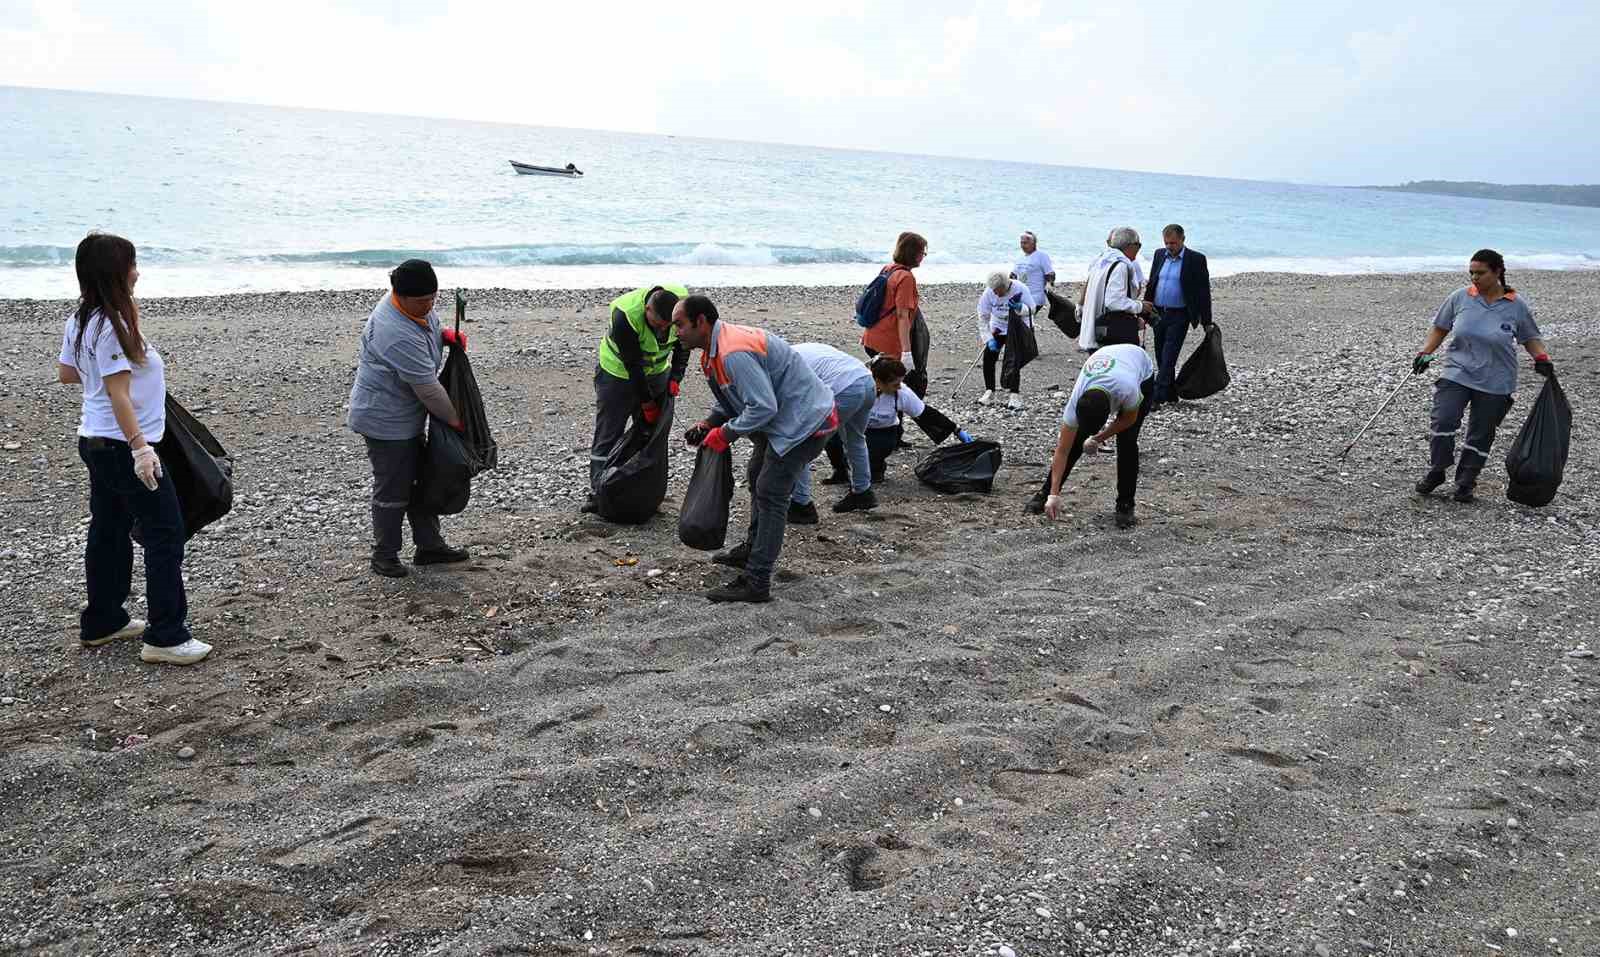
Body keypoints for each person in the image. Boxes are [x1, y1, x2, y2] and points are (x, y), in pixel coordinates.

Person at [56, 233, 212, 665]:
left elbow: (68, 373)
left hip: (95, 440)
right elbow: (118, 393)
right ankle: (167, 636)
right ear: (116, 272)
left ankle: (103, 620)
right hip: (124, 446)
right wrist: (141, 448)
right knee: (165, 532)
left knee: (108, 529)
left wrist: (111, 376)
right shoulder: (111, 324)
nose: (137, 271)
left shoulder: (82, 318)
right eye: (132, 264)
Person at [673, 295, 837, 603]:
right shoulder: (714, 352)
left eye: (680, 325)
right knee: (756, 474)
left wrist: (726, 434)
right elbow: (734, 397)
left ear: (702, 322)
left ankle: (757, 581)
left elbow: (762, 407)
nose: (676, 332)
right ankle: (752, 550)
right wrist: (710, 423)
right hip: (786, 421)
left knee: (771, 491)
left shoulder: (732, 352)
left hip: (807, 422)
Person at [347, 259, 471, 578]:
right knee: (394, 488)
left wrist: (445, 336)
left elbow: (429, 329)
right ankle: (384, 555)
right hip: (384, 419)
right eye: (421, 302)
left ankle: (430, 547)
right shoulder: (392, 330)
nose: (428, 306)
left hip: (408, 414)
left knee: (423, 481)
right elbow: (428, 390)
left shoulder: (419, 306)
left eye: (433, 299)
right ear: (397, 295)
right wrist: (457, 422)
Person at [1412, 249, 1553, 503]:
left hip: (1497, 379)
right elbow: (1440, 327)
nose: (1474, 278)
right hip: (1457, 371)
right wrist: (1425, 352)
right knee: (1443, 420)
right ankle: (1437, 470)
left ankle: (1466, 481)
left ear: (1497, 272)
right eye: (1471, 273)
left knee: (1482, 432)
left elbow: (1530, 338)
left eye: (1480, 273)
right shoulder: (1460, 297)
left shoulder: (1516, 305)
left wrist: (1542, 359)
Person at [584, 284, 689, 513]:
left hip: (658, 373)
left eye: (668, 326)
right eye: (657, 325)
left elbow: (684, 343)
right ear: (647, 309)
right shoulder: (625, 315)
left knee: (651, 434)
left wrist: (676, 376)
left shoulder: (681, 306)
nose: (663, 331)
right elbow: (633, 366)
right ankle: (599, 493)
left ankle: (644, 490)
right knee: (608, 434)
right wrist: (647, 403)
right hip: (617, 374)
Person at [1027, 342, 1155, 527]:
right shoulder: (1076, 401)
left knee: (1127, 441)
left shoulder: (1128, 389)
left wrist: (1099, 438)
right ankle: (1045, 493)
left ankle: (1125, 505)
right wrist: (1054, 494)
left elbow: (1127, 420)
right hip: (1107, 356)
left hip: (1140, 365)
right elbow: (1062, 450)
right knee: (1075, 441)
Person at [821, 356, 971, 486]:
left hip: (883, 433)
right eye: (894, 384)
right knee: (830, 435)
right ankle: (839, 471)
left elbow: (926, 413)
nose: (899, 387)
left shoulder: (902, 392)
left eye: (900, 382)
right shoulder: (857, 387)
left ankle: (877, 467)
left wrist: (956, 429)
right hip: (855, 427)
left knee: (869, 461)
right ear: (878, 381)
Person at [790, 343, 880, 516]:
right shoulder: (805, 348)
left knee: (801, 442)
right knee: (856, 438)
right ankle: (863, 491)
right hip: (866, 381)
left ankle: (801, 504)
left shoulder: (786, 360)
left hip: (843, 388)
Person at [1142, 224, 1213, 406]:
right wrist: (1144, 310)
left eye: (1173, 243)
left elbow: (1203, 292)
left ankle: (1155, 398)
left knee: (1169, 356)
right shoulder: (1159, 255)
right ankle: (1170, 393)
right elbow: (1152, 283)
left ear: (1183, 240)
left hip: (1180, 315)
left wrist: (1207, 321)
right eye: (1166, 243)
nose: (1169, 246)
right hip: (1158, 313)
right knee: (1160, 355)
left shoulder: (1195, 259)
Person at [860, 231, 928, 394]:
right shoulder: (905, 277)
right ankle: (896, 418)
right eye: (922, 252)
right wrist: (906, 351)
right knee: (906, 388)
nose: (923, 256)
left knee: (884, 387)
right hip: (889, 343)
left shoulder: (888, 269)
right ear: (913, 253)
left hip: (872, 337)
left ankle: (881, 416)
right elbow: (902, 315)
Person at [1077, 227, 1153, 353]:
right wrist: (1140, 306)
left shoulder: (1101, 260)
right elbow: (1113, 302)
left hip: (1096, 328)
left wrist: (1080, 306)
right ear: (1131, 245)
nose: (1139, 249)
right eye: (1138, 244)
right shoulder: (1120, 265)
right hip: (1112, 333)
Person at [973, 271, 1037, 409]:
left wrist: (1021, 308)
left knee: (1013, 359)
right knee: (989, 357)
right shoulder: (988, 293)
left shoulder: (1020, 288)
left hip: (1017, 325)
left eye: (998, 290)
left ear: (1005, 285)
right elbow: (983, 317)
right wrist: (988, 339)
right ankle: (989, 391)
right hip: (998, 325)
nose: (995, 293)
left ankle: (1015, 395)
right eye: (993, 290)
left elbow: (1032, 308)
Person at [1011, 230, 1056, 316]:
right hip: (1021, 296)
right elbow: (1013, 276)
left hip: (1036, 296)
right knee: (1022, 321)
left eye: (1025, 243)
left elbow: (1050, 274)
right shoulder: (1020, 258)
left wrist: (1049, 284)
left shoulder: (1041, 256)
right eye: (1021, 243)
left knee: (1025, 319)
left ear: (1034, 243)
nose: (1023, 245)